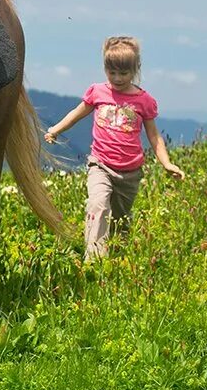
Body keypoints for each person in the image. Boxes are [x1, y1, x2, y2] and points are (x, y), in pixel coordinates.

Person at [43, 36, 185, 260]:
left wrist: (166, 163)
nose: (117, 79)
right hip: (100, 164)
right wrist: (55, 130)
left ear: (135, 69)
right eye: (112, 73)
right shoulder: (97, 93)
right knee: (97, 205)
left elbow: (154, 136)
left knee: (120, 219)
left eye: (124, 73)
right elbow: (76, 114)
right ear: (105, 69)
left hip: (130, 172)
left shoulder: (144, 101)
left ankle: (118, 258)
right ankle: (94, 261)